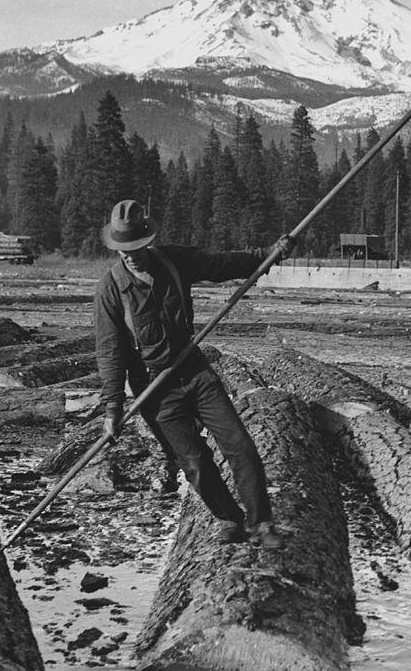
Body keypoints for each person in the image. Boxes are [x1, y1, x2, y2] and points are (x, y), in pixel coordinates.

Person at [94, 199, 294, 549]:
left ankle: (261, 523)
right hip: (153, 389)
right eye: (123, 250)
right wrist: (112, 408)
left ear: (147, 241)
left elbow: (220, 264)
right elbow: (111, 351)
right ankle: (230, 519)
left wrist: (268, 254)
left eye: (136, 248)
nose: (130, 256)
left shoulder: (173, 260)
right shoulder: (111, 289)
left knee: (241, 446)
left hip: (194, 371)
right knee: (194, 463)